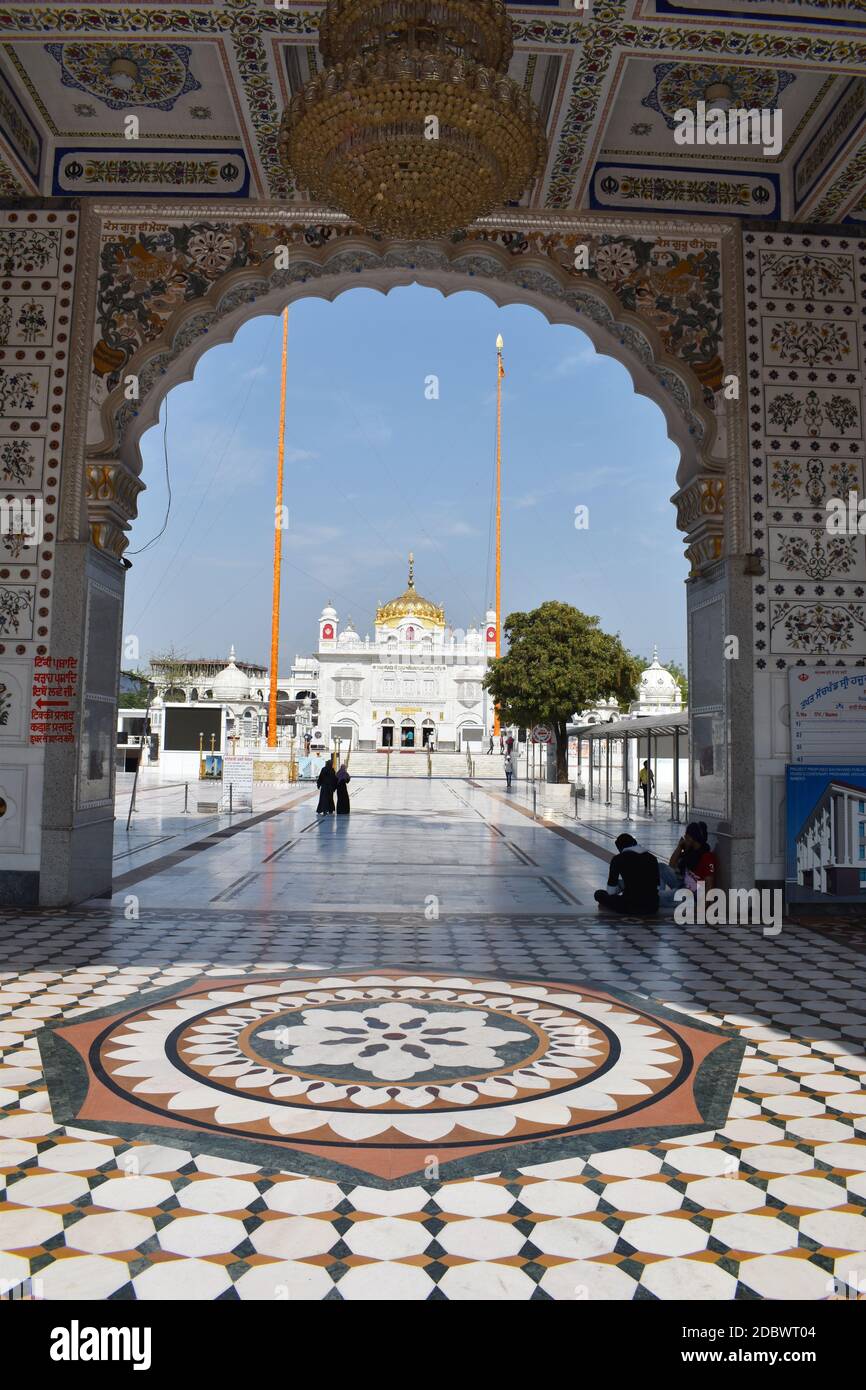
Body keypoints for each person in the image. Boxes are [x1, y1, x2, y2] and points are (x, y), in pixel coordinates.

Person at [594, 834, 659, 916]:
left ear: (619, 848)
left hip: (630, 906)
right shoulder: (652, 858)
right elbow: (657, 886)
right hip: (652, 906)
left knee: (599, 894)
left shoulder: (618, 859)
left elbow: (611, 890)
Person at [659, 822, 718, 897]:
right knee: (661, 867)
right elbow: (671, 866)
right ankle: (659, 894)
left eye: (686, 835)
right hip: (683, 884)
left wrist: (703, 906)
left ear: (691, 838)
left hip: (692, 893)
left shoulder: (707, 856)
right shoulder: (690, 851)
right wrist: (679, 847)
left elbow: (710, 884)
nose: (684, 837)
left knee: (659, 897)